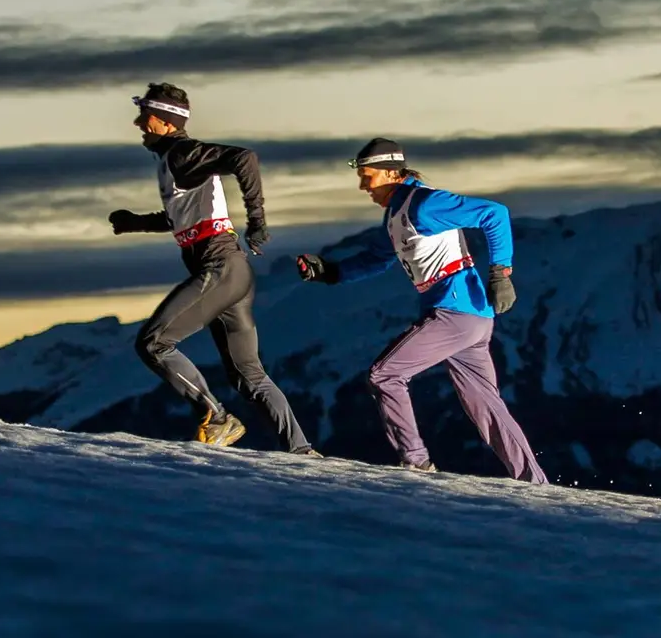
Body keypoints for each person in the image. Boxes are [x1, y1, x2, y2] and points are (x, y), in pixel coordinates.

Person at [296, 138, 547, 483]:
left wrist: (501, 273)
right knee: (486, 406)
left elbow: (494, 214)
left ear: (389, 173)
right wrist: (330, 272)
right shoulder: (398, 214)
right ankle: (534, 482)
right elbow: (377, 259)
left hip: (454, 313)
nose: (362, 186)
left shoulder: (425, 204)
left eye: (367, 177)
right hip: (468, 316)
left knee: (384, 374)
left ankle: (416, 463)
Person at [108, 82, 318, 455]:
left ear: (166, 121)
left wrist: (257, 220)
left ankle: (218, 418)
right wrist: (134, 222)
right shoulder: (175, 160)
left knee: (154, 343)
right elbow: (181, 217)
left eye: (146, 116)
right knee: (249, 376)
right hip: (231, 269)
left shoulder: (183, 153)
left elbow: (245, 158)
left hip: (219, 267)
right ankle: (301, 451)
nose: (138, 123)